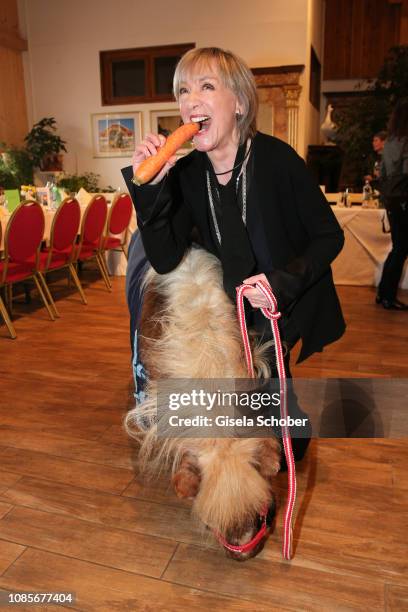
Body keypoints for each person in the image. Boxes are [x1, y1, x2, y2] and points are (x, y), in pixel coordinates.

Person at [122, 47, 346, 464]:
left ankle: (284, 449)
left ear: (239, 103)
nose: (191, 99)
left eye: (207, 86)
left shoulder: (279, 161)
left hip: (280, 304)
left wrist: (281, 284)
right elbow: (166, 257)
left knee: (284, 423)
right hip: (226, 313)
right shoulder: (186, 173)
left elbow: (329, 236)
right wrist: (151, 189)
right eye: (184, 90)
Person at [377, 101, 408, 310]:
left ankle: (383, 293)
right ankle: (387, 296)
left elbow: (383, 174)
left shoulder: (389, 143)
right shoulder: (406, 142)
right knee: (401, 249)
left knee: (398, 248)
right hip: (404, 200)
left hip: (392, 201)